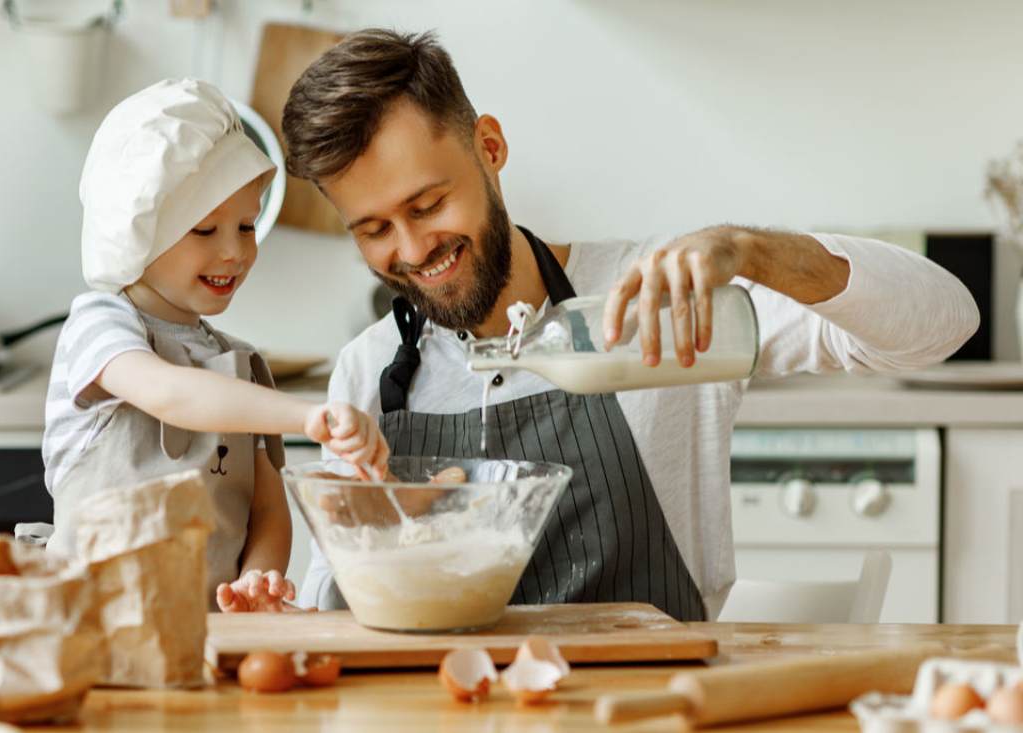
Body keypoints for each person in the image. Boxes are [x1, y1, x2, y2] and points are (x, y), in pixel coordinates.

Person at [280, 30, 979, 620]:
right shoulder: (369, 369)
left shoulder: (660, 298)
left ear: (489, 148)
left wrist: (754, 252)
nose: (409, 249)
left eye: (428, 203)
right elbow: (333, 603)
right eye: (373, 229)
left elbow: (943, 323)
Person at [41, 78, 389, 613]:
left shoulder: (240, 365)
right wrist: (305, 417)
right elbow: (171, 395)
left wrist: (258, 579)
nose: (235, 252)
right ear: (138, 229)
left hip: (213, 642)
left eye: (247, 226)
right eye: (205, 230)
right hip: (93, 636)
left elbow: (267, 513)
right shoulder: (99, 325)